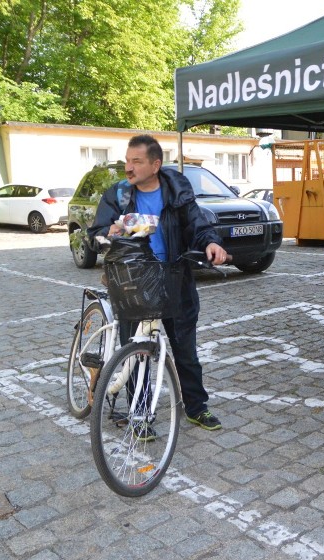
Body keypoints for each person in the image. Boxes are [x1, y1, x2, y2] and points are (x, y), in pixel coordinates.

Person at [89, 134, 229, 431]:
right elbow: (95, 235)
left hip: (174, 279)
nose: (129, 167)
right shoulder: (117, 194)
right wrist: (111, 233)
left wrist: (211, 243)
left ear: (155, 164)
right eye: (127, 160)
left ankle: (196, 408)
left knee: (186, 352)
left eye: (136, 161)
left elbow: (198, 225)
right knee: (136, 353)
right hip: (133, 281)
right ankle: (140, 416)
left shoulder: (177, 190)